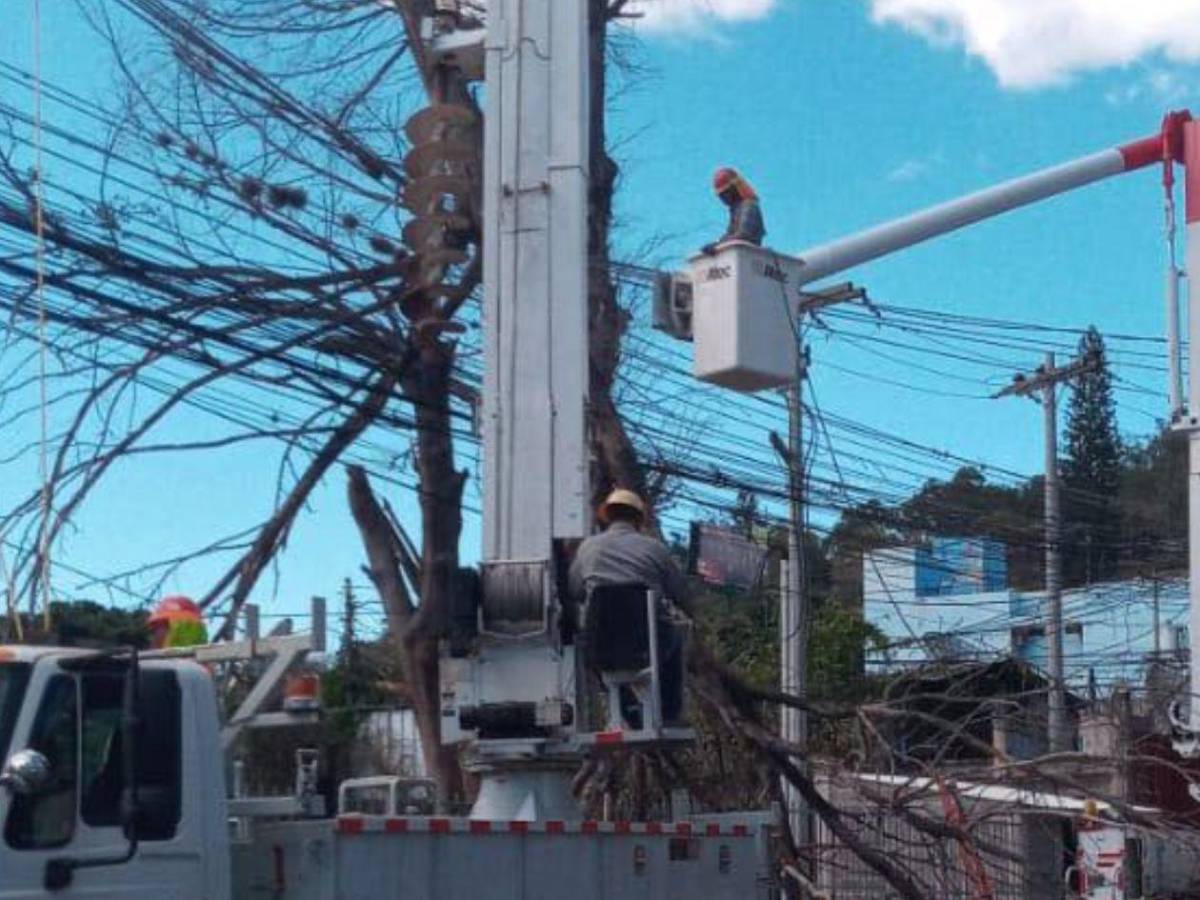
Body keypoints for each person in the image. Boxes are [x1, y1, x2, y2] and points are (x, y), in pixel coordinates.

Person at [568, 489, 688, 725]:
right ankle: (670, 714)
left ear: (607, 516)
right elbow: (680, 593)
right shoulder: (654, 549)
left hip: (600, 645)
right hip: (648, 643)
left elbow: (575, 591)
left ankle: (630, 713)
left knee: (611, 660)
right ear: (638, 519)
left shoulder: (588, 548)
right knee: (675, 637)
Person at [702, 166, 765, 254]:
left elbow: (743, 234)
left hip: (747, 253)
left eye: (724, 193)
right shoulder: (736, 210)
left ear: (734, 189)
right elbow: (730, 234)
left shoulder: (749, 206)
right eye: (720, 195)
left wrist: (718, 245)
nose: (722, 198)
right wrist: (717, 243)